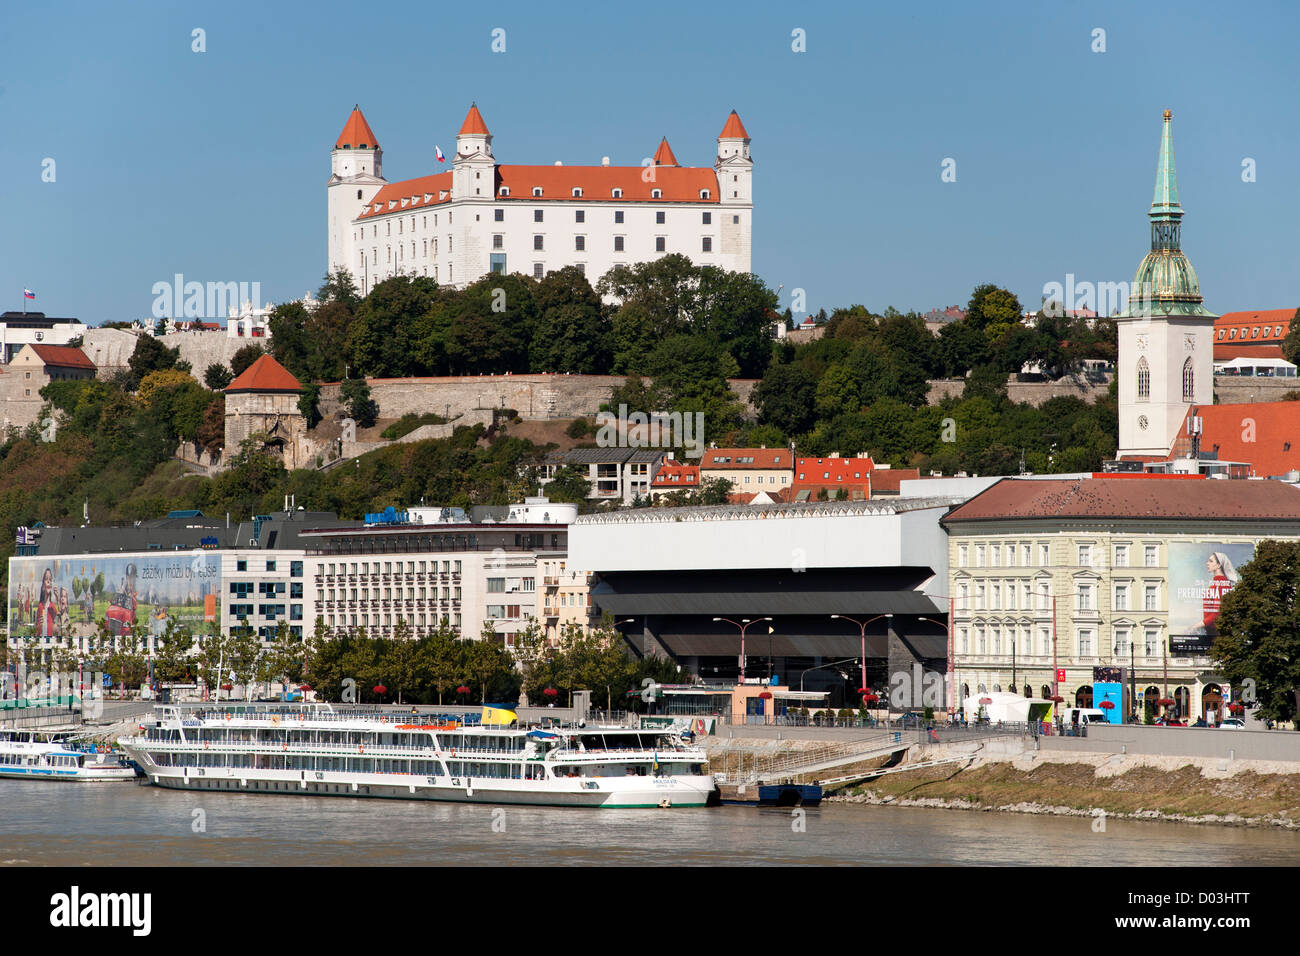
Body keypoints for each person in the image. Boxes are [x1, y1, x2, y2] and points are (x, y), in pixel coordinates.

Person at [1202, 552, 1238, 638]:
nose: (1207, 563)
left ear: (1218, 565)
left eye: (1211, 561)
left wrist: (1194, 626)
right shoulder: (1215, 584)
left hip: (1217, 632)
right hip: (1213, 631)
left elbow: (1217, 613)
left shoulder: (1222, 584)